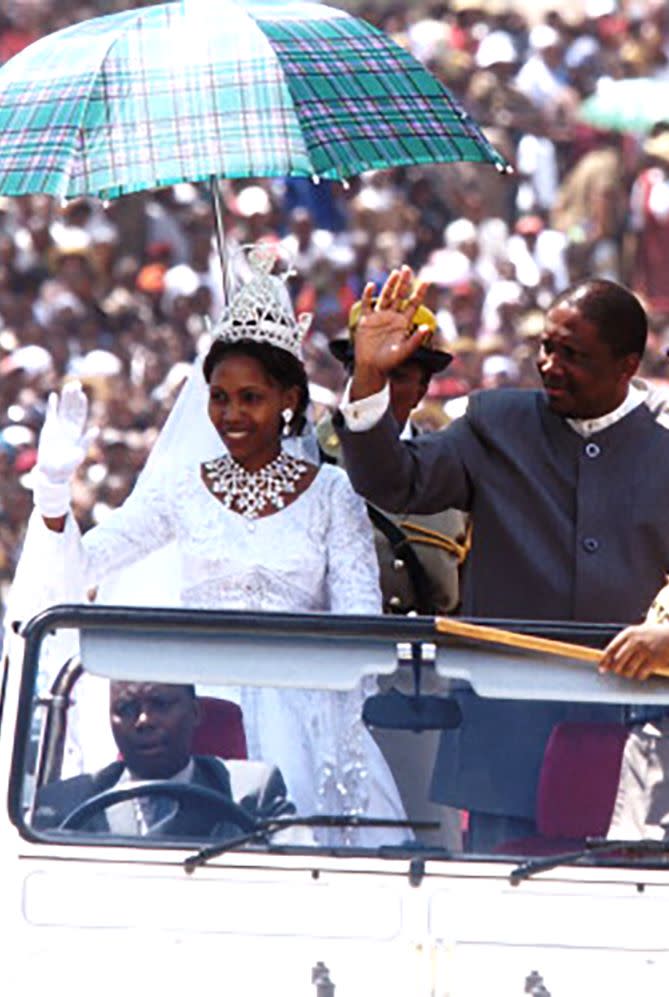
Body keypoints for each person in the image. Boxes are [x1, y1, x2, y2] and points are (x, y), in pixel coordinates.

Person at [7, 244, 408, 847]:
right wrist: (56, 494)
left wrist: (318, 697)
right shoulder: (179, 489)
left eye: (251, 398)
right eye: (219, 398)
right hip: (204, 724)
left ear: (289, 401)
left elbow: (360, 625)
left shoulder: (332, 495)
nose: (231, 414)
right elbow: (84, 566)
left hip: (312, 721)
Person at [337, 266, 669, 851]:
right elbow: (394, 483)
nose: (549, 365)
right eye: (546, 346)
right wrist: (369, 380)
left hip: (630, 754)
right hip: (505, 749)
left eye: (573, 354)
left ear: (627, 367)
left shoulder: (663, 452)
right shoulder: (495, 423)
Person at [33, 680, 299, 841]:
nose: (144, 721)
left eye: (160, 704)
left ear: (195, 713)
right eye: (126, 709)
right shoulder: (67, 803)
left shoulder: (252, 792)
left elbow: (300, 875)